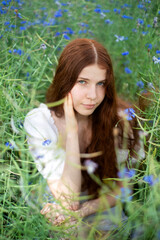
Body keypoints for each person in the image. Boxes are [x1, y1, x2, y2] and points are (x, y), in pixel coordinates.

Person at [24, 38, 144, 229]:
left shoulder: (121, 121)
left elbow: (124, 187)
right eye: (82, 82)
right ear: (65, 80)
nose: (93, 95)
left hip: (102, 206)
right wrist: (71, 131)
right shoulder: (40, 123)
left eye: (101, 83)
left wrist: (83, 211)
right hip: (57, 205)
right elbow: (68, 200)